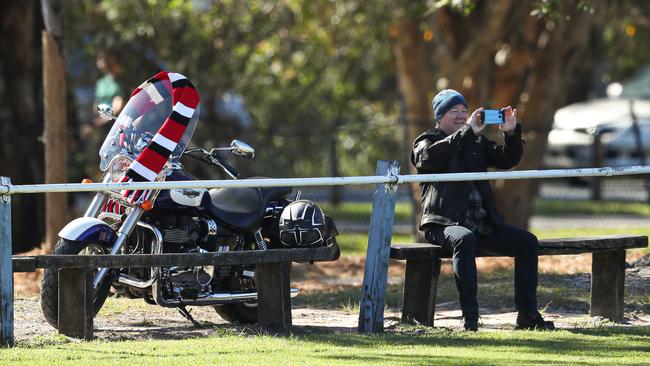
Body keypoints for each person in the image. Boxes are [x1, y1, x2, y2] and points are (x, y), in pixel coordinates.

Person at [410, 89, 555, 331]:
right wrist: (467, 131)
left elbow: (507, 160)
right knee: (464, 239)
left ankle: (527, 315)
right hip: (442, 224)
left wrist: (510, 132)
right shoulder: (427, 140)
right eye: (453, 111)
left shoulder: (475, 141)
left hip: (483, 224)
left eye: (463, 111)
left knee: (528, 242)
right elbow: (426, 159)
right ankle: (471, 319)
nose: (460, 116)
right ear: (439, 116)